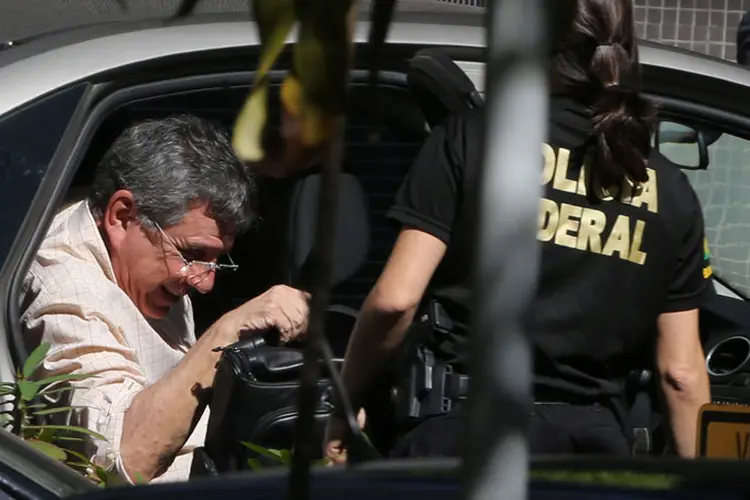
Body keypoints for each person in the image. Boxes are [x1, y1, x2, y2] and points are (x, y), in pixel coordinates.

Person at [325, 0, 712, 461]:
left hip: (462, 439)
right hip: (590, 452)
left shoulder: (470, 138)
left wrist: (346, 402)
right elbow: (682, 374)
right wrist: (704, 485)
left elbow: (395, 301)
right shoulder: (669, 188)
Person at [20, 115, 311, 483]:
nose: (205, 283)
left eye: (216, 260)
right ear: (122, 216)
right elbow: (123, 462)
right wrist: (227, 331)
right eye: (193, 254)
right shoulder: (67, 290)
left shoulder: (142, 262)